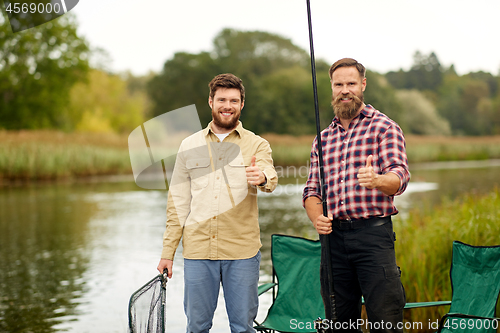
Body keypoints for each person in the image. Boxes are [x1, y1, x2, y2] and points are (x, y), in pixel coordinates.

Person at [157, 73, 278, 333]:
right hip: (198, 252)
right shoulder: (188, 145)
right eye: (222, 99)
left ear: (242, 104)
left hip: (242, 254)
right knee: (197, 327)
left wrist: (262, 177)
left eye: (234, 100)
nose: (228, 105)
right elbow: (177, 203)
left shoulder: (257, 144)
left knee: (242, 328)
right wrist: (168, 253)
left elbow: (270, 176)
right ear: (210, 102)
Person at [303, 58, 410, 333]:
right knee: (340, 325)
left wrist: (377, 180)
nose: (345, 90)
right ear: (332, 88)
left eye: (351, 83)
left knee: (385, 323)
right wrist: (317, 218)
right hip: (333, 242)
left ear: (363, 85)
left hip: (373, 238)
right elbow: (312, 190)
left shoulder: (384, 127)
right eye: (339, 84)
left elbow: (400, 177)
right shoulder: (322, 138)